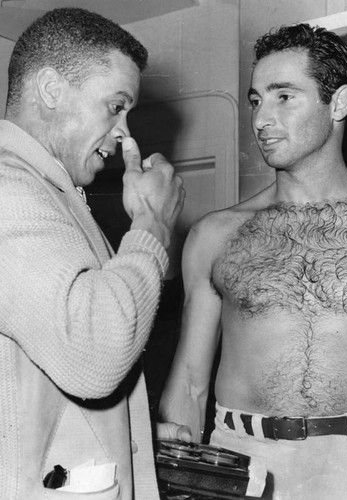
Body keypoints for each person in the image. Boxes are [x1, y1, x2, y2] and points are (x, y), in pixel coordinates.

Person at [159, 23, 347, 500]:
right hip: (241, 458)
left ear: (337, 104)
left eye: (284, 97)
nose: (260, 119)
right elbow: (191, 383)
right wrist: (178, 478)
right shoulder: (216, 235)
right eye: (256, 100)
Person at [0, 7, 188, 500]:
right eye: (115, 106)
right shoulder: (7, 187)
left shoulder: (51, 193)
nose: (126, 132)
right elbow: (95, 354)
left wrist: (134, 432)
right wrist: (151, 225)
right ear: (51, 89)